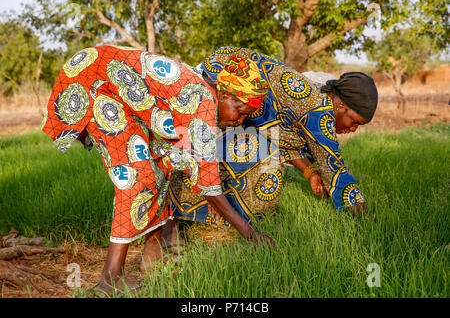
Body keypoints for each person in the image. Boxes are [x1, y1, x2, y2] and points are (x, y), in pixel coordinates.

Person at [41, 45, 273, 295]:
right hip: (94, 82)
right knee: (136, 177)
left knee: (160, 164)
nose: (239, 121)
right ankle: (110, 278)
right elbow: (209, 184)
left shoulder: (205, 92)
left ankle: (153, 255)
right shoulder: (204, 105)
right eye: (240, 112)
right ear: (226, 95)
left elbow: (176, 152)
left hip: (106, 82)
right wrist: (249, 233)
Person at [166, 46, 378, 239]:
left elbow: (280, 136)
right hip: (221, 75)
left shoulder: (313, 98)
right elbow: (335, 169)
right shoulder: (319, 113)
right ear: (340, 105)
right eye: (354, 121)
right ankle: (172, 220)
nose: (352, 129)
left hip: (224, 69)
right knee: (198, 152)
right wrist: (367, 219)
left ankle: (190, 215)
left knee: (225, 153)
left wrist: (309, 172)